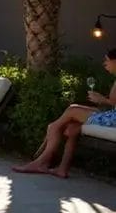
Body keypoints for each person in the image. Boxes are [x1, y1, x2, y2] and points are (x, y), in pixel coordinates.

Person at [13, 48, 116, 178]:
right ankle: (62, 169)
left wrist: (102, 99)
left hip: (113, 119)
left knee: (69, 113)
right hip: (112, 115)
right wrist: (102, 100)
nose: (104, 64)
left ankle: (41, 161)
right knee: (71, 128)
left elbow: (112, 102)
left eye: (107, 60)